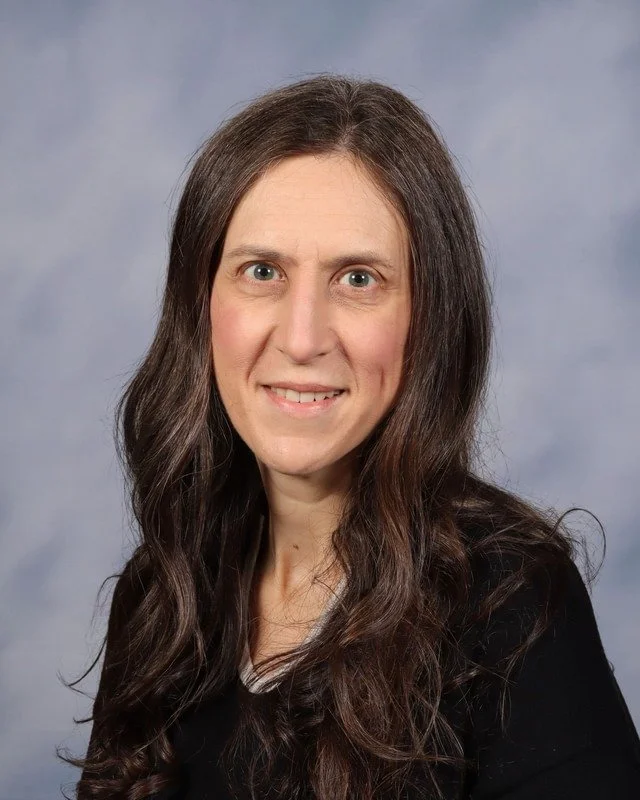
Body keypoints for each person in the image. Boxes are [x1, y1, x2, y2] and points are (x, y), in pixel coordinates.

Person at [60, 74, 640, 799]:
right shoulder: (163, 593)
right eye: (261, 270)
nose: (302, 339)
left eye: (359, 279)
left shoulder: (511, 604)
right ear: (200, 304)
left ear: (429, 318)